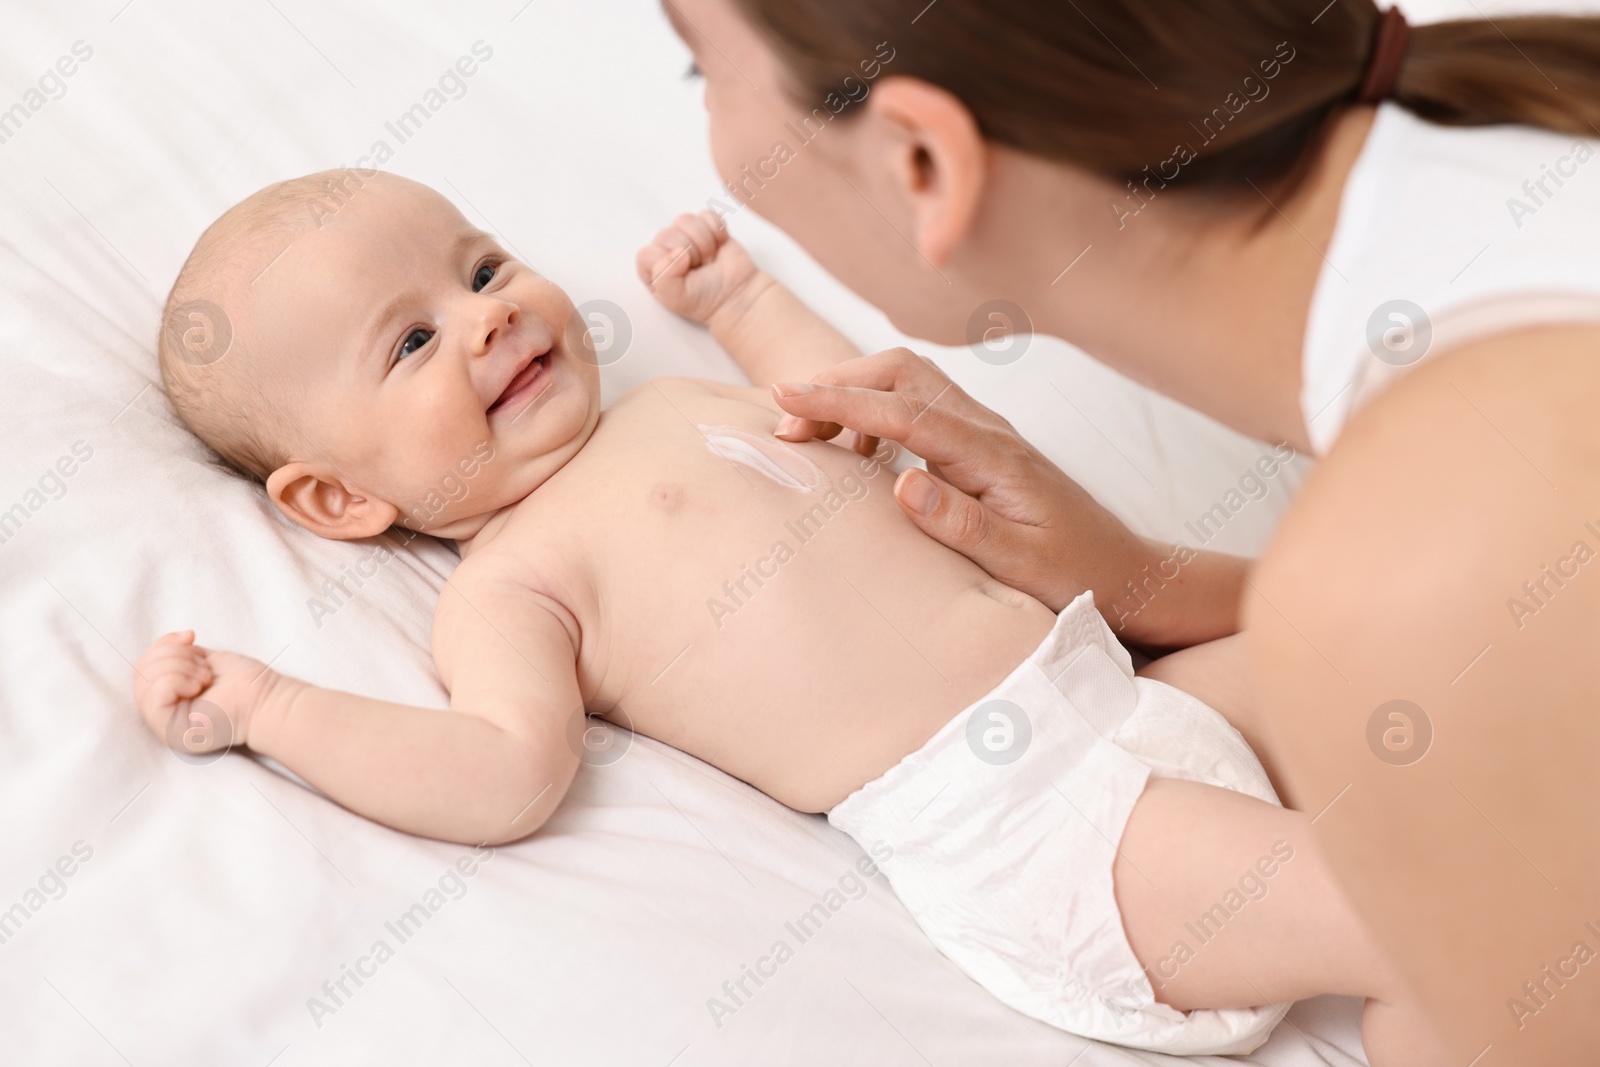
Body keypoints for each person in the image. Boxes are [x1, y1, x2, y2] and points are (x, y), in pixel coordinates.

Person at [137, 171, 1443, 1060]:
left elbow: (844, 402)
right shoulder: (509, 586)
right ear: (338, 498)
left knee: (1394, 652)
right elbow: (501, 770)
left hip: (1120, 692)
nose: (486, 317)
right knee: (1429, 913)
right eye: (412, 343)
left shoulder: (668, 406)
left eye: (482, 266)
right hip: (1041, 832)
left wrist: (739, 303)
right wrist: (273, 705)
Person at [661, 0, 1600, 1061]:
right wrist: (1144, 580)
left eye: (698, 72)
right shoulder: (1532, 132)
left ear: (919, 161)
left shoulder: (1414, 559)